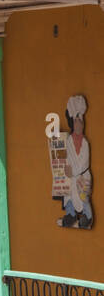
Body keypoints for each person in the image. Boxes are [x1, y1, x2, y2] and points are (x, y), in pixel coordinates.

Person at [60, 94, 93, 229]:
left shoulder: (85, 143)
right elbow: (66, 156)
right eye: (76, 122)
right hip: (71, 176)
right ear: (73, 124)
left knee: (84, 196)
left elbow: (84, 162)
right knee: (67, 194)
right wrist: (67, 169)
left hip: (82, 175)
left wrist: (75, 172)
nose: (79, 125)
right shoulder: (68, 141)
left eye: (81, 122)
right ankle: (71, 214)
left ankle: (87, 217)